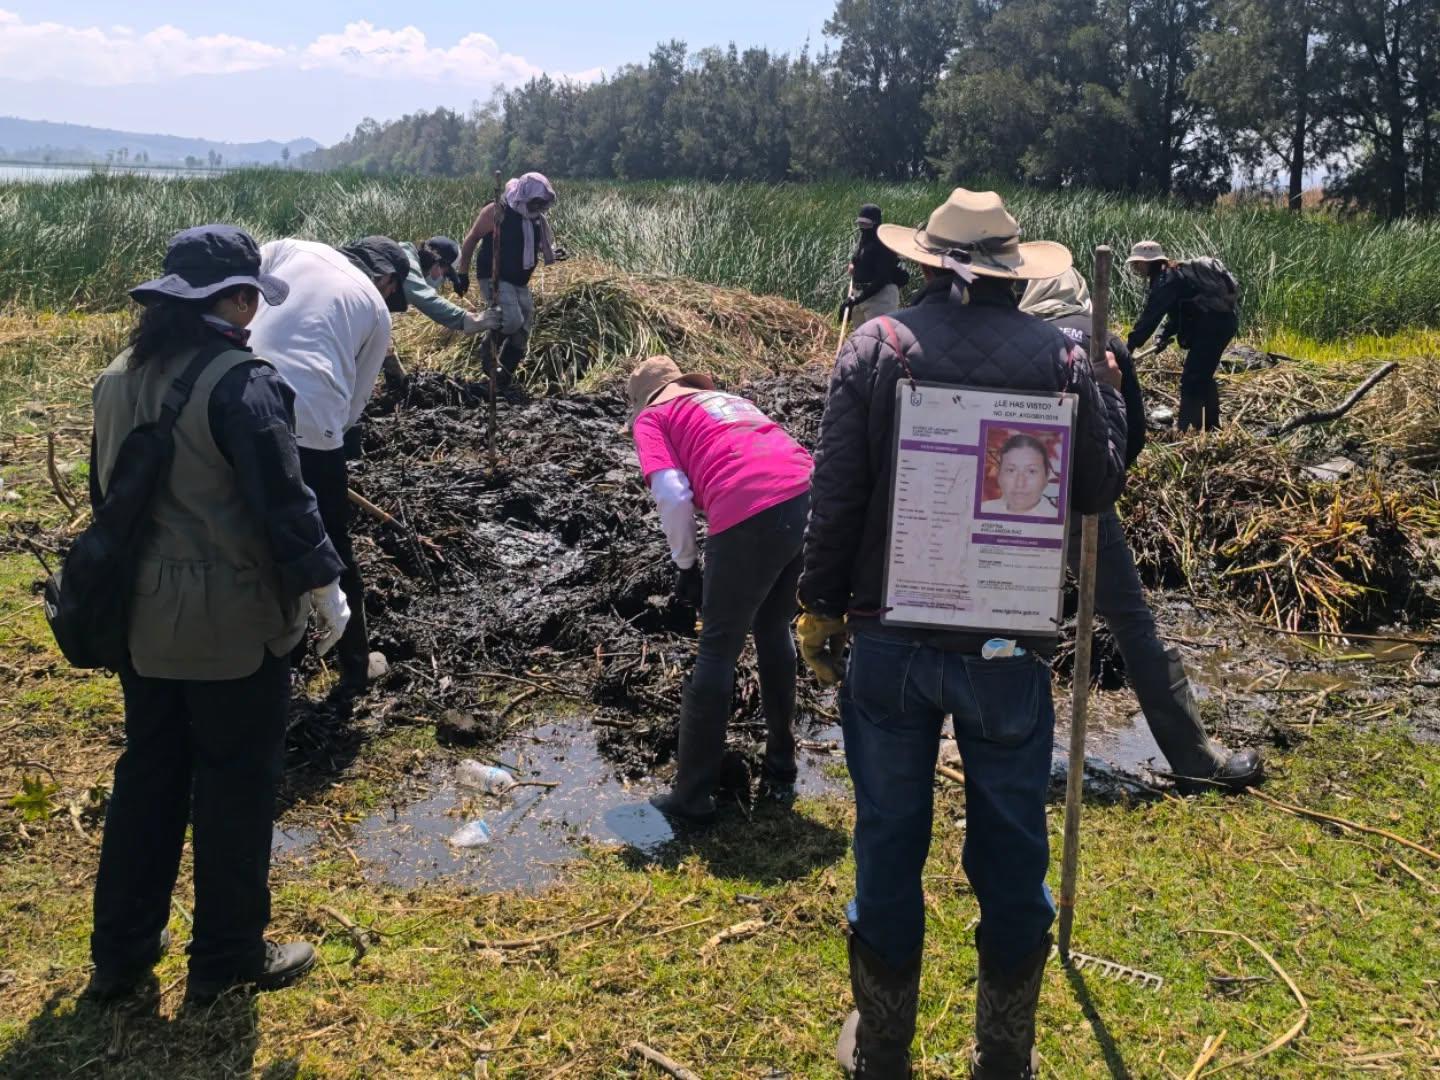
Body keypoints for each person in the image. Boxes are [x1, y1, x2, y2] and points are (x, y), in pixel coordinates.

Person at [797, 189, 1129, 1078]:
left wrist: (820, 605)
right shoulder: (1063, 357)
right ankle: (1004, 1056)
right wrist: (1109, 390)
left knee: (889, 836)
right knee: (1013, 847)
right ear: (1010, 275)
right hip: (1008, 647)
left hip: (892, 641)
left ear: (933, 265)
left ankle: (882, 1049)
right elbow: (1097, 489)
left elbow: (836, 496)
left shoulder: (877, 346)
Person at [86, 225, 349, 1006]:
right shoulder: (245, 382)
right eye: (249, 298)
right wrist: (325, 589)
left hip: (138, 619)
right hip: (230, 624)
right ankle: (229, 955)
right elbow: (284, 504)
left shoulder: (117, 376)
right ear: (233, 301)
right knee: (235, 785)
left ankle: (121, 956)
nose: (252, 313)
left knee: (147, 779)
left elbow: (109, 500)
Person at [1021, 269, 1264, 794]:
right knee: (1132, 623)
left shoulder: (1017, 338)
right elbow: (1131, 436)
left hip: (1014, 503)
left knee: (1014, 623)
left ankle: (1000, 754)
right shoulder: (1104, 340)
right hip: (1088, 505)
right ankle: (1196, 760)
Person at [627, 356, 814, 822]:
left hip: (750, 505)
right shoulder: (730, 401)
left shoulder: (654, 418)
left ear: (644, 400)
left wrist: (686, 565)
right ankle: (781, 762)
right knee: (773, 626)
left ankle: (691, 798)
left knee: (717, 649)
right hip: (807, 494)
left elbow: (672, 493)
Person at [248, 235, 409, 694]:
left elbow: (243, 295)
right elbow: (355, 403)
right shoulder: (376, 309)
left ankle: (271, 654)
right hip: (314, 421)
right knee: (330, 544)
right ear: (387, 280)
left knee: (248, 531)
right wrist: (324, 445)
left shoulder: (289, 248)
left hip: (236, 397)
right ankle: (355, 667)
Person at [458, 172, 565, 389]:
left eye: (543, 203)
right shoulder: (498, 210)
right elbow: (471, 239)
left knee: (524, 325)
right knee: (512, 320)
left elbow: (537, 245)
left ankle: (503, 375)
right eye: (537, 201)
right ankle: (488, 349)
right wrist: (462, 273)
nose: (541, 206)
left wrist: (552, 252)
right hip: (494, 275)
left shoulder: (535, 218)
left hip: (519, 279)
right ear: (526, 195)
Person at [1124, 240, 1240, 431]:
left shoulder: (1167, 280)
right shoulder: (1172, 275)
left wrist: (1129, 345)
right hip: (1219, 324)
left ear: (1148, 262)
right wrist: (1163, 336)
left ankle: (1185, 430)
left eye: (1137, 263)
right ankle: (1211, 427)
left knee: (1192, 379)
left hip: (1213, 327)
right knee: (1202, 374)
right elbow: (1178, 313)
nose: (1136, 268)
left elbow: (1150, 317)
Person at [382, 235, 499, 389]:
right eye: (445, 273)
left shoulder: (402, 256)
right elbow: (426, 299)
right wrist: (469, 320)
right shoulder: (406, 265)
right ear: (437, 264)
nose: (442, 278)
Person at [845, 204, 909, 324]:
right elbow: (857, 259)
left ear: (876, 223)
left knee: (878, 339)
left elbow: (881, 279)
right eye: (860, 224)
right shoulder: (864, 239)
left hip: (880, 298)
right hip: (860, 295)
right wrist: (853, 265)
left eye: (867, 224)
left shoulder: (883, 246)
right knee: (861, 340)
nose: (863, 228)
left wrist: (857, 300)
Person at [979, 434, 1057, 517]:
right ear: (999, 474)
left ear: (1047, 477)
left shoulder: (1056, 519)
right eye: (1011, 470)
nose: (1020, 483)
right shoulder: (983, 510)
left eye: (1031, 471)